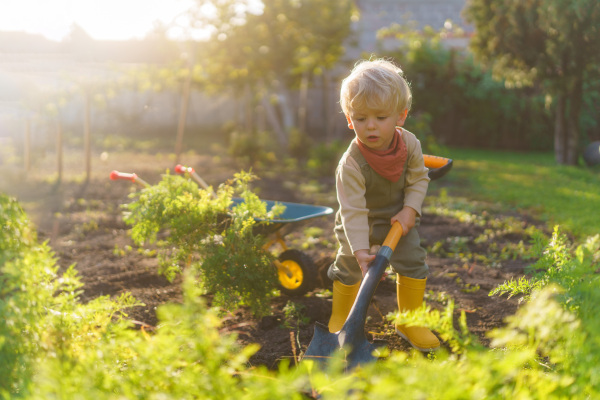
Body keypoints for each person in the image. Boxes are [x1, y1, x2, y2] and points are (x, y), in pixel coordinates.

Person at [327, 58, 440, 352]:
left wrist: (410, 209)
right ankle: (342, 316)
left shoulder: (411, 145)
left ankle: (409, 321)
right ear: (350, 120)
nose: (371, 126)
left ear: (400, 116)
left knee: (414, 261)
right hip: (358, 224)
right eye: (361, 118)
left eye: (380, 117)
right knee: (349, 266)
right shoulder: (351, 164)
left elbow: (419, 179)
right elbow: (352, 211)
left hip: (397, 219)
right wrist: (362, 252)